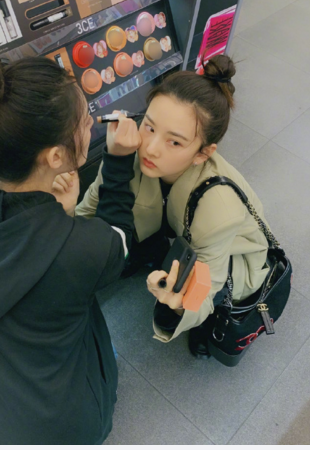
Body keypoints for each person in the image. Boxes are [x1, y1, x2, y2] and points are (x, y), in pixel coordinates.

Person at [0, 49, 142, 444]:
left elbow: (5, 233)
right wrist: (119, 161)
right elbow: (120, 240)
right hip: (55, 427)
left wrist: (51, 212)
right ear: (56, 156)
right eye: (85, 121)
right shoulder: (83, 249)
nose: (91, 124)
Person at [76, 55, 271, 358]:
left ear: (203, 153)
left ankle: (203, 325)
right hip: (175, 228)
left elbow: (208, 284)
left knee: (196, 292)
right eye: (150, 127)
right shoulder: (129, 146)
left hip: (230, 257)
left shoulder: (219, 209)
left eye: (175, 142)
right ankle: (148, 254)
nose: (151, 148)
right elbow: (90, 208)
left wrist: (179, 307)